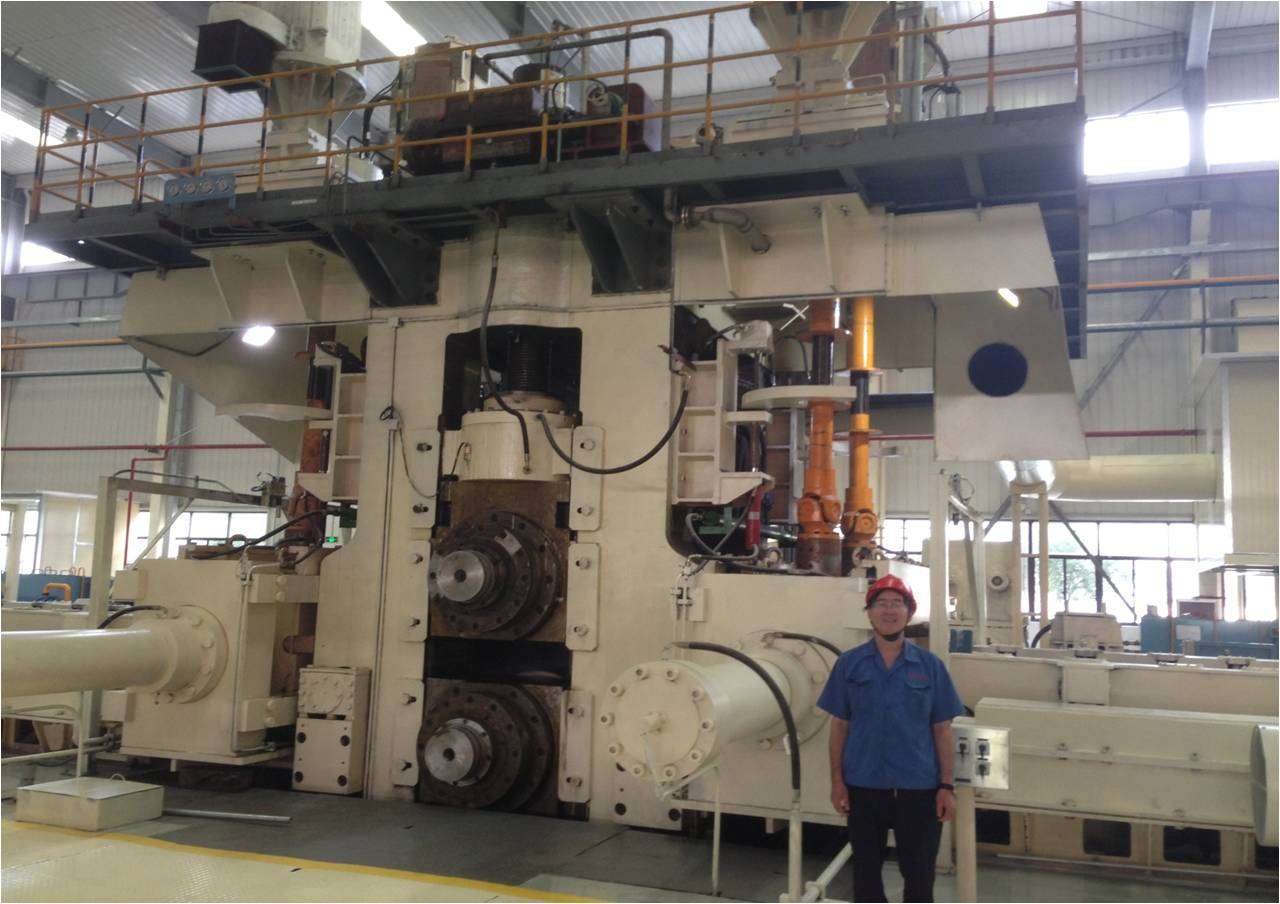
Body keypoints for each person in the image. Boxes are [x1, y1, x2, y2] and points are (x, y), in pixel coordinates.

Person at [816, 574, 965, 903]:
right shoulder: (849, 664)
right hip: (864, 786)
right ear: (869, 612)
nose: (889, 610)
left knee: (919, 875)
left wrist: (946, 786)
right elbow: (839, 726)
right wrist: (837, 782)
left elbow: (942, 729)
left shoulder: (930, 666)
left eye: (897, 603)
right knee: (866, 876)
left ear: (908, 613)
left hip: (919, 788)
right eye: (881, 603)